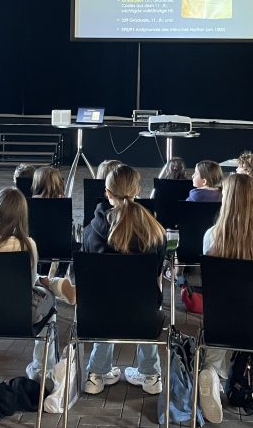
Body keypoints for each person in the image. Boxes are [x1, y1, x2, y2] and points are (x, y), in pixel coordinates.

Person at [198, 172, 253, 422]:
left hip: (223, 321)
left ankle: (211, 372)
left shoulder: (212, 236)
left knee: (218, 316)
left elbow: (210, 285)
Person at [82, 164, 166, 396]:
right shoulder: (156, 233)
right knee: (148, 302)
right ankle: (151, 375)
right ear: (137, 190)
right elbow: (157, 274)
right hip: (143, 311)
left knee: (105, 301)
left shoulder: (91, 232)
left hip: (101, 313)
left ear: (107, 193)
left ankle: (96, 374)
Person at [0, 187, 56, 383]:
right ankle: (41, 367)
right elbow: (29, 283)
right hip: (19, 314)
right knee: (50, 304)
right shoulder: (27, 244)